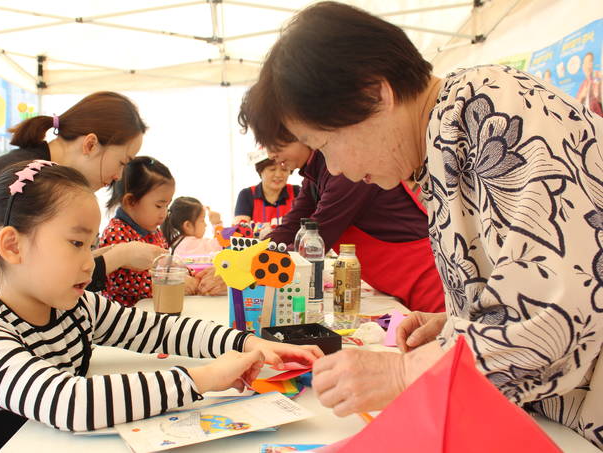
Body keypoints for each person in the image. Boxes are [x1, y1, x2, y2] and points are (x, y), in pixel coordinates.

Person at [242, 1, 603, 448]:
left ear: (374, 93)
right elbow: (526, 271)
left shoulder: (495, 109)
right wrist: (460, 322)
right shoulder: (444, 140)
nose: (337, 168)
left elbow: (554, 308)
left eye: (326, 145)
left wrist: (405, 370)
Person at [0, 160, 323, 452]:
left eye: (92, 244)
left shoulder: (77, 308)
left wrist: (246, 344)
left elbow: (160, 330)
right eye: (76, 244)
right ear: (12, 245)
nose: (89, 261)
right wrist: (206, 378)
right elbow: (70, 403)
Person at [0, 91, 153, 452]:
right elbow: (39, 273)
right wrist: (116, 256)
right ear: (91, 144)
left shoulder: (34, 176)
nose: (118, 177)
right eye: (122, 162)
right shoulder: (21, 187)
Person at [235, 133, 444, 312]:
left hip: (428, 279)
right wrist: (243, 261)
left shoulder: (346, 171)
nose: (272, 155)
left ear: (300, 132)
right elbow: (290, 226)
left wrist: (248, 270)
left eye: (276, 145)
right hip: (396, 282)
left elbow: (316, 239)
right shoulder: (314, 174)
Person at [101, 156, 201, 305]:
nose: (164, 213)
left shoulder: (155, 231)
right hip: (127, 318)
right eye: (159, 206)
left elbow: (168, 263)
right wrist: (175, 282)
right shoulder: (116, 233)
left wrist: (194, 276)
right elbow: (124, 283)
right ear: (131, 201)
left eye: (167, 206)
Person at [234, 157, 299, 225]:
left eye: (284, 169)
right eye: (272, 169)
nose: (278, 175)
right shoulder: (247, 195)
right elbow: (241, 229)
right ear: (260, 171)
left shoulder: (297, 192)